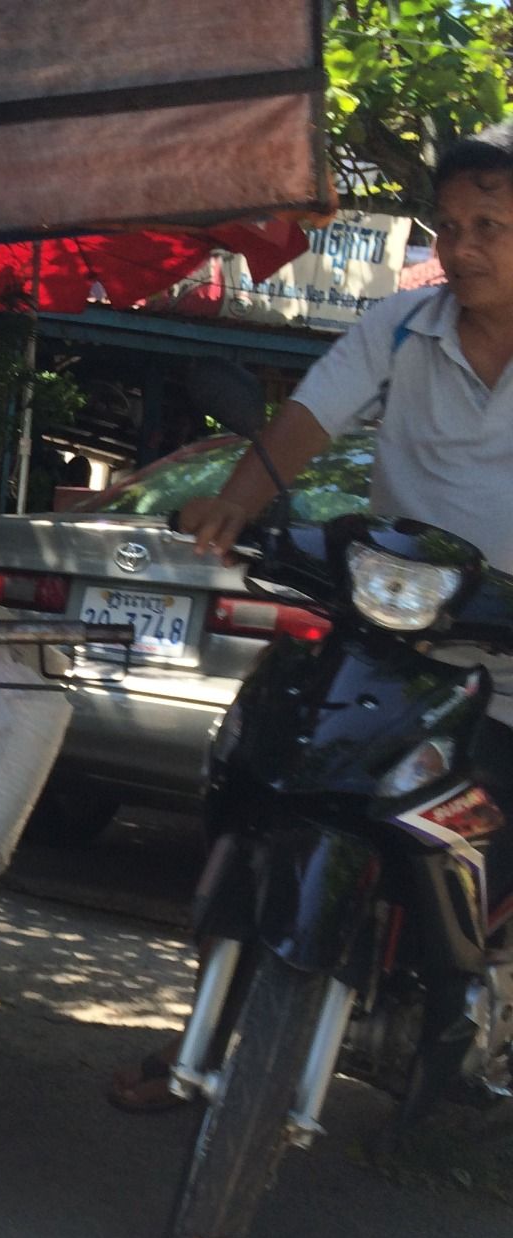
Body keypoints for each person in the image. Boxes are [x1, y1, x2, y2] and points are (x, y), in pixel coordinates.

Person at [109, 119, 513, 1112]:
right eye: (450, 226)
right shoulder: (399, 328)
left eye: (492, 227)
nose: (462, 248)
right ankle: (203, 1032)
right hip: (385, 639)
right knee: (259, 773)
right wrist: (236, 501)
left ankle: (483, 1014)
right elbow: (305, 419)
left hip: (502, 663)